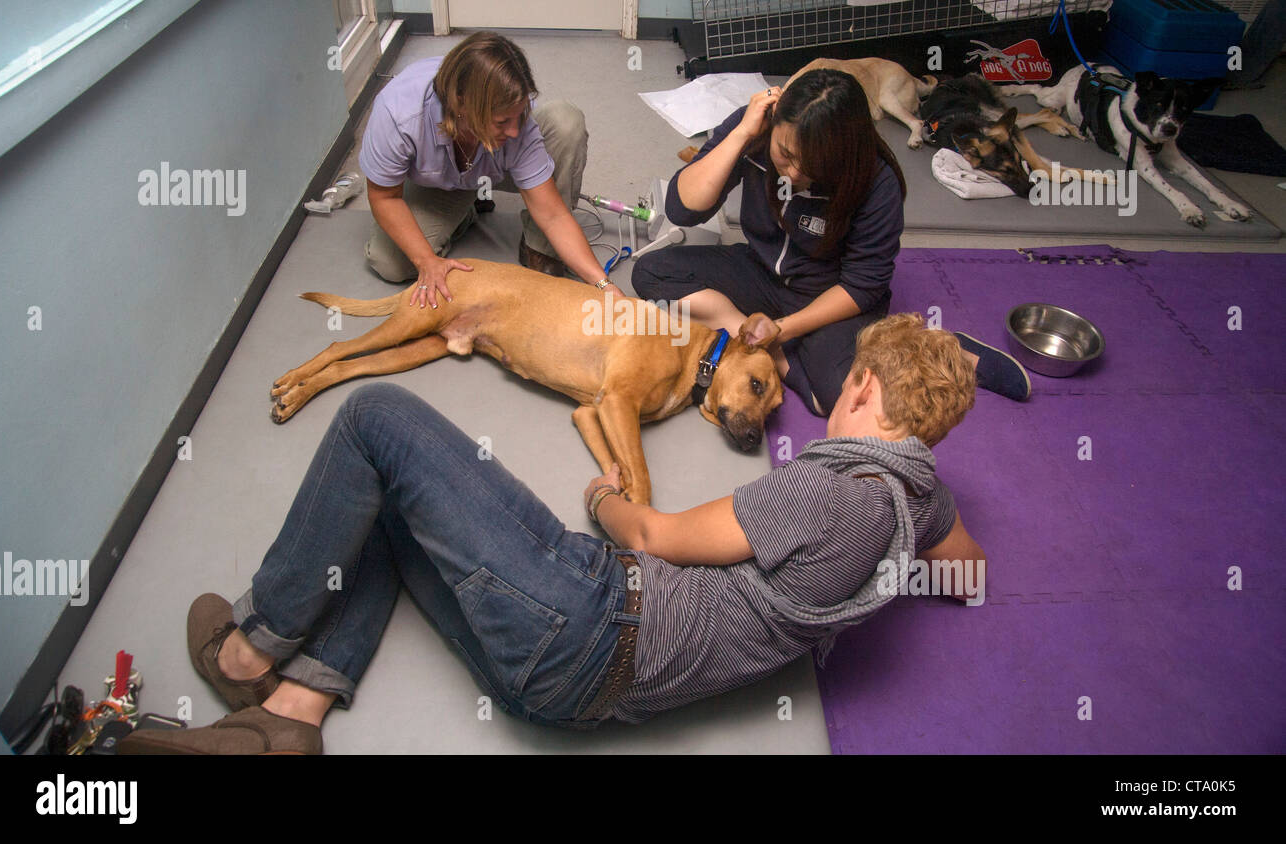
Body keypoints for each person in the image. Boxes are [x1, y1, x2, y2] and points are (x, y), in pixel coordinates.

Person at [117, 312, 984, 753]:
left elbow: (650, 534)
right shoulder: (918, 502)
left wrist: (602, 498)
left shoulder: (823, 494)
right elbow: (969, 572)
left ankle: (250, 647)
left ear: (864, 386)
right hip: (574, 700)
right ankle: (292, 715)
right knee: (390, 500)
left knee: (376, 420)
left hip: (590, 616)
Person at [631, 69, 1029, 414]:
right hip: (762, 272)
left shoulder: (876, 181)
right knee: (652, 273)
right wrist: (740, 134)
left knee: (832, 397)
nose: (796, 171)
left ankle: (933, 347)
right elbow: (684, 209)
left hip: (829, 296)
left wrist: (782, 329)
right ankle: (759, 341)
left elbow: (863, 284)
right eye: (785, 154)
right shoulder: (755, 130)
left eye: (815, 165)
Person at [359, 31, 621, 307]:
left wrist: (602, 284)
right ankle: (467, 208)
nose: (515, 130)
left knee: (565, 121)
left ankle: (538, 248)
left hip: (495, 166)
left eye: (518, 116)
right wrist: (427, 260)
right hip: (441, 182)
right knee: (390, 263)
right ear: (461, 106)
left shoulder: (514, 121)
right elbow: (384, 196)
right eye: (501, 121)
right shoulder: (398, 115)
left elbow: (553, 215)